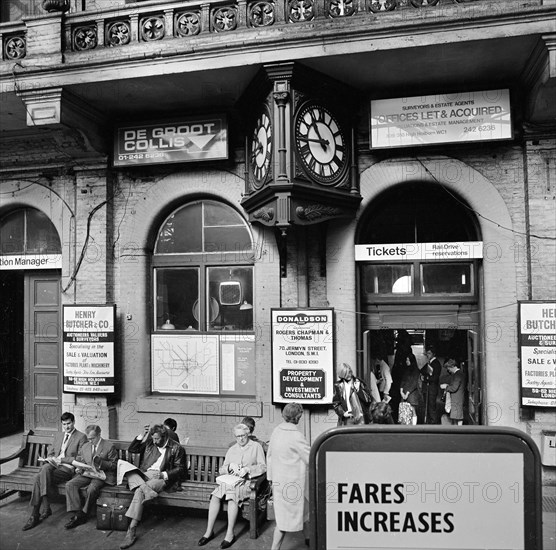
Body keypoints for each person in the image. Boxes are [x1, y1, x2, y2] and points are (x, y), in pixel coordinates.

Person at [198, 423, 266, 549]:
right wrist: (229, 467)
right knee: (215, 496)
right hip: (230, 480)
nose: (240, 439)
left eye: (243, 436)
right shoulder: (232, 449)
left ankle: (230, 534)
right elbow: (222, 469)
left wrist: (248, 470)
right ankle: (208, 532)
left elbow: (263, 466)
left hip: (246, 482)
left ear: (248, 434)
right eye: (238, 436)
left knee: (231, 497)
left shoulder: (256, 447)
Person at [119, 424, 186, 549]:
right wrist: (142, 435)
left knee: (139, 490)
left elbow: (181, 469)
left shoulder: (176, 448)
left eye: (157, 439)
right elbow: (132, 449)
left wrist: (163, 474)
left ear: (164, 436)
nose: (154, 441)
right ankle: (147, 490)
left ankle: (131, 530)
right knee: (129, 471)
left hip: (160, 477)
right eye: (153, 438)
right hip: (145, 473)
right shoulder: (150, 443)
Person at [22, 412, 87, 531]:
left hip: (67, 469)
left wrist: (61, 460)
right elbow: (51, 453)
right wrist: (50, 458)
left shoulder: (81, 437)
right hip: (53, 466)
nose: (67, 427)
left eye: (69, 424)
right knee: (45, 469)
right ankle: (41, 510)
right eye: (64, 424)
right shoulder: (58, 436)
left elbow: (81, 458)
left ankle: (37, 513)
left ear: (73, 422)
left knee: (39, 476)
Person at [267, 403, 310, 550]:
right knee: (283, 523)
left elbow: (270, 456)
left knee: (305, 512)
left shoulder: (276, 431)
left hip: (279, 484)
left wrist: (270, 479)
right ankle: (274, 548)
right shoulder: (296, 436)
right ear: (298, 417)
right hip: (293, 486)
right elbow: (310, 458)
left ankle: (309, 539)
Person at [64, 424, 118, 529]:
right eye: (89, 439)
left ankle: (84, 513)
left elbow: (114, 465)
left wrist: (101, 463)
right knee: (70, 485)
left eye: (93, 438)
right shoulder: (86, 446)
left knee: (91, 489)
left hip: (101, 475)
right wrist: (79, 468)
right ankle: (78, 513)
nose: (90, 441)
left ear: (99, 435)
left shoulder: (108, 446)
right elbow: (81, 460)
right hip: (87, 473)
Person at [399, 353, 424, 424]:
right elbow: (403, 380)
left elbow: (414, 383)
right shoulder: (406, 370)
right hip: (404, 393)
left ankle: (413, 426)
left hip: (412, 393)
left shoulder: (416, 371)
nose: (406, 361)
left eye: (408, 360)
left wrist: (406, 393)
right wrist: (401, 391)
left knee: (412, 410)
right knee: (405, 411)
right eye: (406, 360)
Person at [440, 359, 465, 425]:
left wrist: (446, 387)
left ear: (452, 366)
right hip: (457, 398)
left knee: (457, 416)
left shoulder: (457, 375)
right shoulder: (458, 374)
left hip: (457, 398)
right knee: (456, 416)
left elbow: (454, 388)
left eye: (448, 368)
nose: (448, 370)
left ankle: (459, 430)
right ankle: (457, 430)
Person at [421, 346, 442, 424]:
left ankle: (433, 422)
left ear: (434, 354)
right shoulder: (429, 363)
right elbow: (422, 370)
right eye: (427, 353)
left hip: (432, 389)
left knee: (431, 407)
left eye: (429, 353)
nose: (427, 355)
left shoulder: (436, 364)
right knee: (427, 405)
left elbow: (435, 378)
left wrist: (426, 378)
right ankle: (429, 421)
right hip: (427, 388)